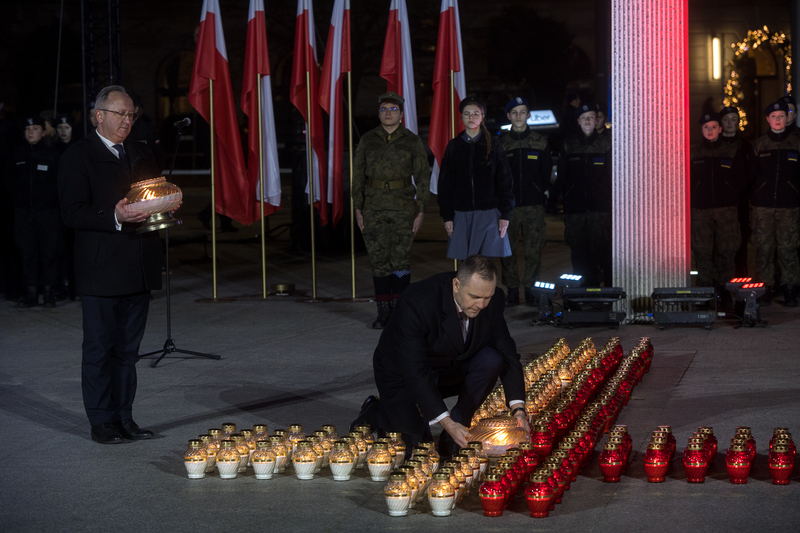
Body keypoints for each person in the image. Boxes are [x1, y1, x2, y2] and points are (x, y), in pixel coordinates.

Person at [58, 85, 166, 444]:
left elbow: (149, 197)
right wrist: (115, 217)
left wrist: (164, 203)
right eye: (120, 113)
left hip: (137, 265)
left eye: (131, 114)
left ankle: (125, 418)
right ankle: (101, 421)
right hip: (101, 269)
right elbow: (71, 213)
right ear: (98, 116)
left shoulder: (140, 151)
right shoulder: (79, 156)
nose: (127, 121)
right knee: (100, 349)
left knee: (128, 353)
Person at [351, 255, 529, 457]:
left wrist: (519, 410)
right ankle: (376, 413)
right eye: (475, 297)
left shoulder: (493, 300)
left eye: (486, 297)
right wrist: (445, 422)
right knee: (419, 451)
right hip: (402, 375)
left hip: (448, 367)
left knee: (492, 359)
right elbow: (415, 371)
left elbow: (508, 354)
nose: (481, 305)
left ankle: (457, 426)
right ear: (456, 285)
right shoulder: (417, 302)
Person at [352, 92, 431, 329]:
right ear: (378, 113)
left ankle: (401, 312)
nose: (388, 113)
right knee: (378, 261)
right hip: (373, 207)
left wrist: (422, 210)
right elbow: (358, 176)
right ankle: (383, 312)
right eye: (384, 109)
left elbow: (423, 177)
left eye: (393, 109)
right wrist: (358, 207)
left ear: (401, 114)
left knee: (400, 261)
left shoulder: (412, 140)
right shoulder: (368, 139)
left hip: (403, 208)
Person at [438, 96, 514, 261]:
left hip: (489, 214)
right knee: (467, 266)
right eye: (467, 114)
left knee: (485, 265)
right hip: (462, 214)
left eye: (475, 114)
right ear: (461, 117)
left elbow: (504, 181)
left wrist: (505, 214)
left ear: (482, 116)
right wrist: (448, 216)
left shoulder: (493, 145)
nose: (471, 118)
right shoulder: (454, 146)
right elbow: (445, 184)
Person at [689, 112, 747, 307]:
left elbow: (741, 179)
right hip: (701, 210)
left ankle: (724, 290)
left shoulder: (731, 152)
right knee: (702, 251)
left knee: (726, 249)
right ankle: (706, 291)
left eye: (714, 127)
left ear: (720, 129)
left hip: (726, 210)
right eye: (706, 127)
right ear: (701, 130)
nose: (710, 130)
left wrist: (731, 195)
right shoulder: (694, 153)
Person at [499, 96, 552, 307]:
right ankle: (512, 290)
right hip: (508, 207)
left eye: (523, 112)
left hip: (533, 205)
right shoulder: (501, 144)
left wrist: (539, 192)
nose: (519, 116)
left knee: (534, 249)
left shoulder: (540, 142)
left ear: (528, 115)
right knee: (507, 250)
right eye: (515, 112)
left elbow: (546, 172)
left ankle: (530, 290)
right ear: (509, 116)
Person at [5, 116, 61, 307]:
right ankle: (30, 292)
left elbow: (59, 183)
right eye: (28, 129)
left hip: (48, 212)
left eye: (35, 128)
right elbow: (9, 182)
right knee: (26, 252)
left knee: (49, 252)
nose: (31, 132)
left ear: (43, 132)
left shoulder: (52, 154)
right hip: (24, 213)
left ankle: (48, 292)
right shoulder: (17, 155)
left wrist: (50, 202)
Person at [555, 103, 613, 286]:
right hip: (575, 208)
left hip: (600, 208)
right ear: (578, 121)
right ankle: (585, 289)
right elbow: (562, 176)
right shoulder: (569, 144)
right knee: (578, 250)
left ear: (597, 120)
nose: (588, 121)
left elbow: (612, 175)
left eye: (591, 117)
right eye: (584, 117)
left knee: (601, 249)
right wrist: (555, 200)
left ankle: (605, 289)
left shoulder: (606, 144)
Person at [749, 100, 800, 306]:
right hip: (763, 207)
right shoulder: (759, 144)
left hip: (789, 206)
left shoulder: (796, 143)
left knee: (789, 248)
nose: (778, 120)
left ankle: (790, 288)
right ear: (768, 119)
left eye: (781, 116)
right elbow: (751, 176)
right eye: (773, 116)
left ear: (787, 118)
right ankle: (765, 288)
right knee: (764, 248)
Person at [719, 106, 757, 277]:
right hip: (719, 203)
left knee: (740, 243)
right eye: (726, 119)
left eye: (733, 119)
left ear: (738, 122)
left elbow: (752, 176)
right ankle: (721, 285)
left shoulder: (747, 147)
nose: (730, 123)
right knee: (719, 244)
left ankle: (741, 279)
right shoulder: (714, 145)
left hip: (740, 203)